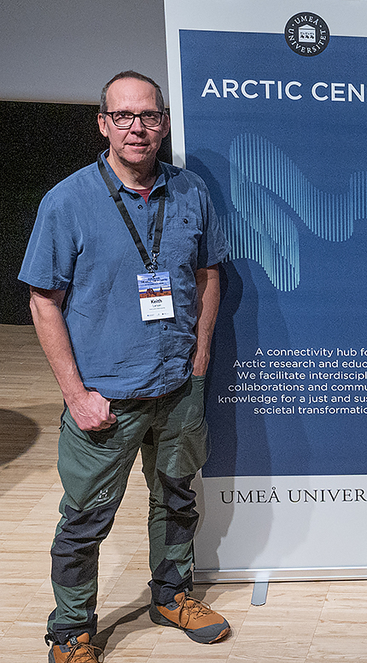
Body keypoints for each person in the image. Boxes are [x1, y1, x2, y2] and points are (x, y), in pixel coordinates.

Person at [20, 71, 231, 663]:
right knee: (85, 520)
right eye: (124, 117)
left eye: (149, 116)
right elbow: (43, 302)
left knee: (176, 499)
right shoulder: (67, 201)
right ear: (104, 124)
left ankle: (171, 594)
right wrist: (76, 393)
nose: (138, 128)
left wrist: (201, 354)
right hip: (105, 397)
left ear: (164, 122)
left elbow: (208, 273)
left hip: (178, 387)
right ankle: (71, 629)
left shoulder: (190, 192)